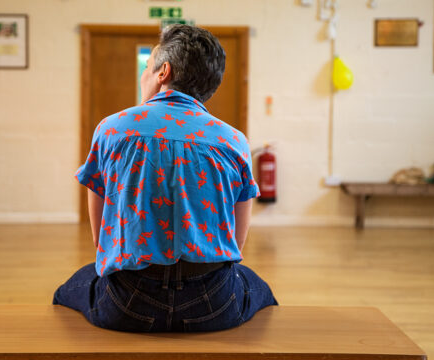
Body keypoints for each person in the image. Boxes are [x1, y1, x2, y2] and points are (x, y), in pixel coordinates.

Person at [53, 24, 277, 332]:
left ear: (163, 72)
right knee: (258, 287)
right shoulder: (233, 140)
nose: (144, 75)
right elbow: (235, 245)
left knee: (71, 288)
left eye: (147, 67)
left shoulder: (111, 129)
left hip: (127, 303)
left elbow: (99, 239)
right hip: (213, 304)